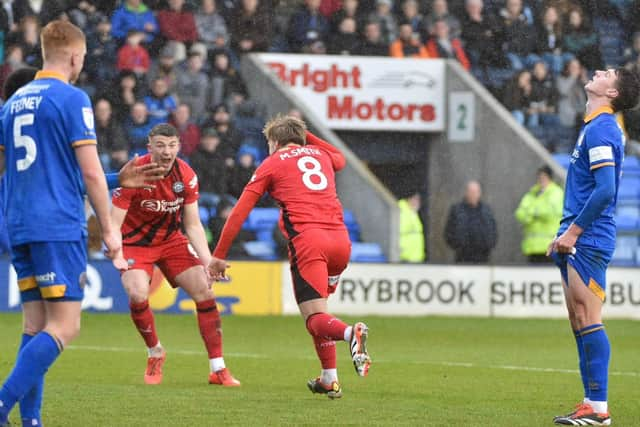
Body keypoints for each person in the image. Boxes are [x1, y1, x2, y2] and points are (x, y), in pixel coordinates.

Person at [0, 20, 124, 427]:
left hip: (20, 224)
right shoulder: (71, 99)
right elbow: (89, 173)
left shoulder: (13, 103)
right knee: (65, 327)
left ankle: (30, 420)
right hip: (57, 225)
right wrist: (108, 228)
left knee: (35, 325)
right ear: (74, 56)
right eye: (83, 57)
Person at [208, 116, 371, 399]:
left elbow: (239, 211)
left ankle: (350, 334)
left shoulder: (271, 163)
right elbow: (341, 158)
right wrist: (306, 136)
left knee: (314, 318)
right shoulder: (322, 154)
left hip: (309, 243)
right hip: (341, 242)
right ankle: (329, 379)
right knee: (319, 311)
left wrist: (218, 255)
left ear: (274, 142)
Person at [111, 123, 240, 387]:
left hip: (171, 242)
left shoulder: (187, 175)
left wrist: (209, 261)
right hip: (135, 243)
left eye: (171, 145)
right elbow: (114, 221)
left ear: (179, 146)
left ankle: (218, 369)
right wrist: (115, 251)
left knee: (205, 290)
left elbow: (192, 224)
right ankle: (155, 352)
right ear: (150, 147)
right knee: (136, 293)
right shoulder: (134, 173)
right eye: (160, 145)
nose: (166, 151)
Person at [547, 68, 640, 426]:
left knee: (588, 316)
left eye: (608, 73)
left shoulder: (602, 128)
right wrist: (564, 232)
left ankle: (599, 408)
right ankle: (590, 403)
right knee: (578, 319)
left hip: (590, 237)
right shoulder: (594, 126)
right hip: (578, 235)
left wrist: (573, 233)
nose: (599, 71)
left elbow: (605, 191)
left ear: (613, 92)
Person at [515, 166, 563, 263]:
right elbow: (519, 213)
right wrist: (533, 215)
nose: (541, 180)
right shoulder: (532, 193)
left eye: (544, 177)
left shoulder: (556, 193)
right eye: (539, 177)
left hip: (549, 246)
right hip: (531, 247)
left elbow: (550, 212)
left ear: (550, 178)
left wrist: (531, 213)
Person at [444, 180, 497, 263]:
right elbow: (449, 232)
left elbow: (493, 230)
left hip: (483, 257)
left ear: (480, 193)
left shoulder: (486, 211)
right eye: (471, 191)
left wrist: (488, 245)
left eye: (476, 191)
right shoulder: (457, 210)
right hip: (462, 257)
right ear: (466, 193)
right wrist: (459, 246)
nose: (473, 194)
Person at [398, 192, 425, 262]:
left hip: (415, 257)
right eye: (415, 199)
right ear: (409, 199)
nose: (418, 202)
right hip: (405, 257)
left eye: (418, 200)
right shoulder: (401, 211)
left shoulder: (412, 213)